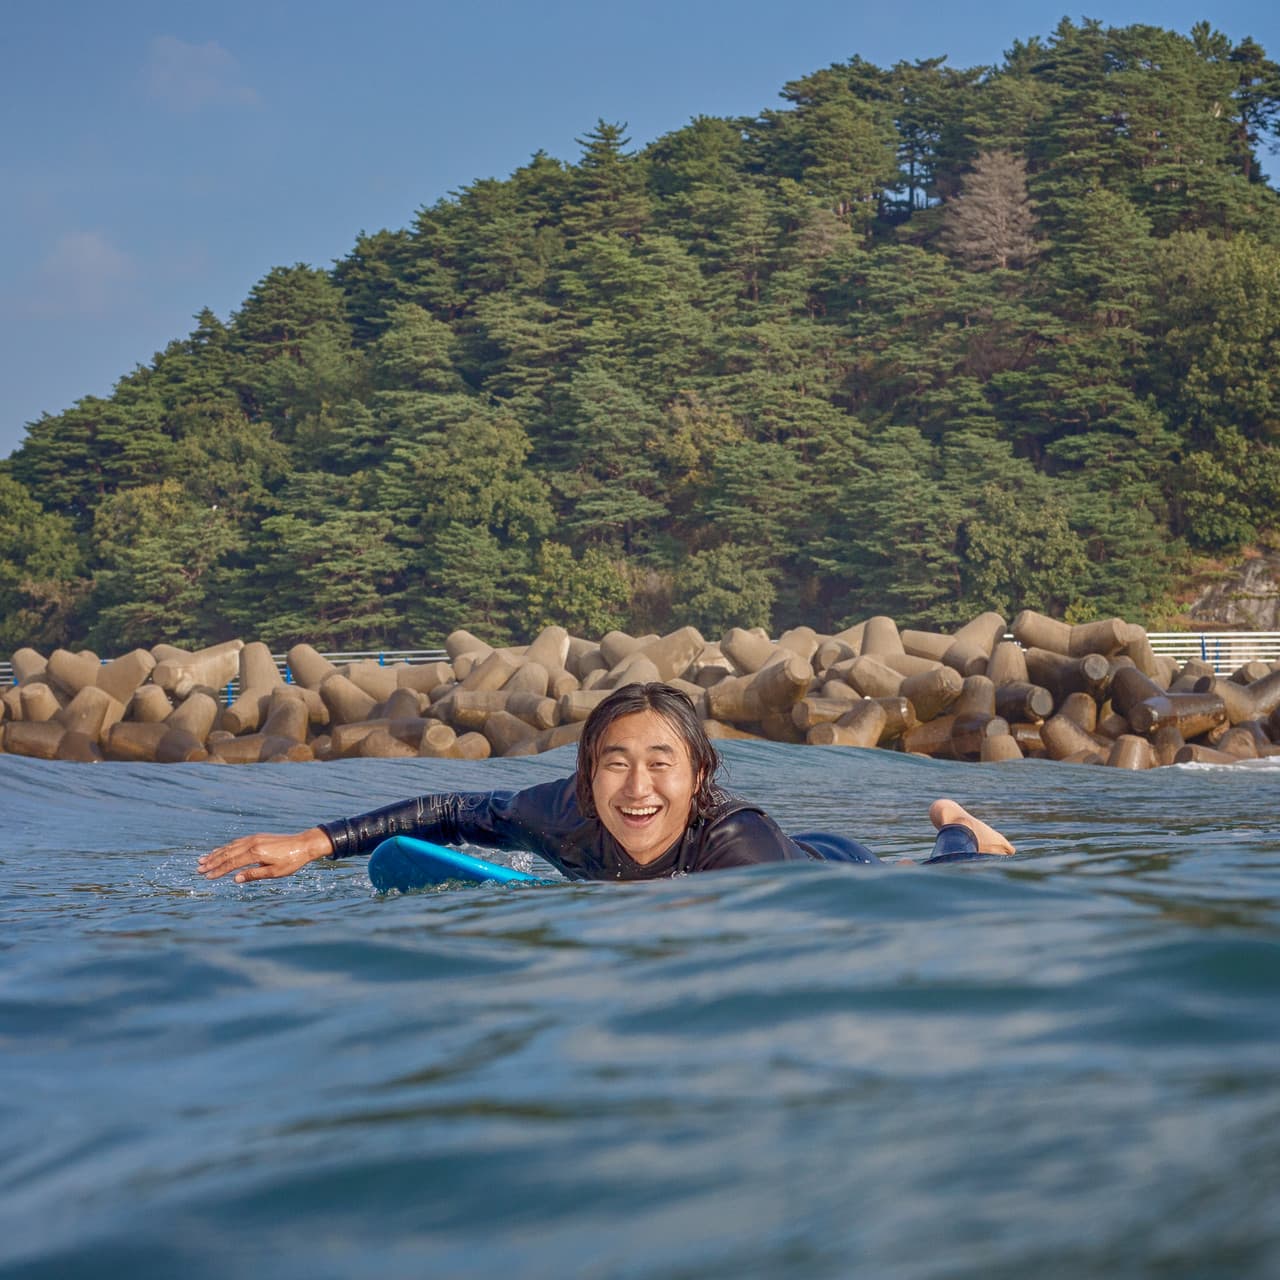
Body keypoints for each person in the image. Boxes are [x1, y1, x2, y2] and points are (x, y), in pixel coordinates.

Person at [198, 681, 1015, 886]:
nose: (637, 788)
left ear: (698, 775)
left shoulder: (738, 846)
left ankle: (956, 822)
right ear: (586, 775)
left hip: (827, 868)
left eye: (662, 762)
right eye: (614, 763)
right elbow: (451, 811)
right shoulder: (564, 814)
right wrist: (313, 843)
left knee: (941, 876)